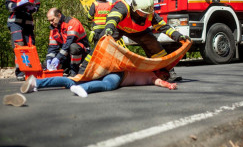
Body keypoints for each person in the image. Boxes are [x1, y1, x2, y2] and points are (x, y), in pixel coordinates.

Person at [80, 0, 190, 82]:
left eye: (148, 13)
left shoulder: (150, 12)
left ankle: (168, 72)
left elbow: (164, 27)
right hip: (119, 28)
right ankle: (83, 71)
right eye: (143, 13)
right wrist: (109, 29)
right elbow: (113, 18)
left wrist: (179, 36)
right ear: (134, 7)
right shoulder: (122, 6)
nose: (146, 15)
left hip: (140, 31)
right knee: (101, 44)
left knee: (155, 46)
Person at [20, 71, 177, 98]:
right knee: (107, 86)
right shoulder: (151, 74)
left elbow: (158, 80)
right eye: (165, 74)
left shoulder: (147, 70)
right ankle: (82, 89)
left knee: (70, 80)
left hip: (110, 70)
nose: (164, 76)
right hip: (119, 76)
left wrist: (167, 84)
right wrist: (168, 85)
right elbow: (158, 81)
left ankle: (37, 82)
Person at [5, 0, 40, 81]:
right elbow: (8, 4)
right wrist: (17, 5)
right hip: (15, 21)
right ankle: (19, 71)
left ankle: (30, 70)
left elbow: (37, 5)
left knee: (30, 45)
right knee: (19, 45)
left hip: (28, 22)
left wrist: (33, 8)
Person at [46, 8, 90, 77]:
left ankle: (74, 70)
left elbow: (69, 42)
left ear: (59, 15)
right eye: (49, 21)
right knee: (46, 64)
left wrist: (58, 58)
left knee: (73, 47)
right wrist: (49, 60)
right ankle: (67, 69)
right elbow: (52, 47)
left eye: (52, 20)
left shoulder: (72, 22)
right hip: (67, 54)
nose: (51, 23)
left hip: (82, 52)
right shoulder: (54, 30)